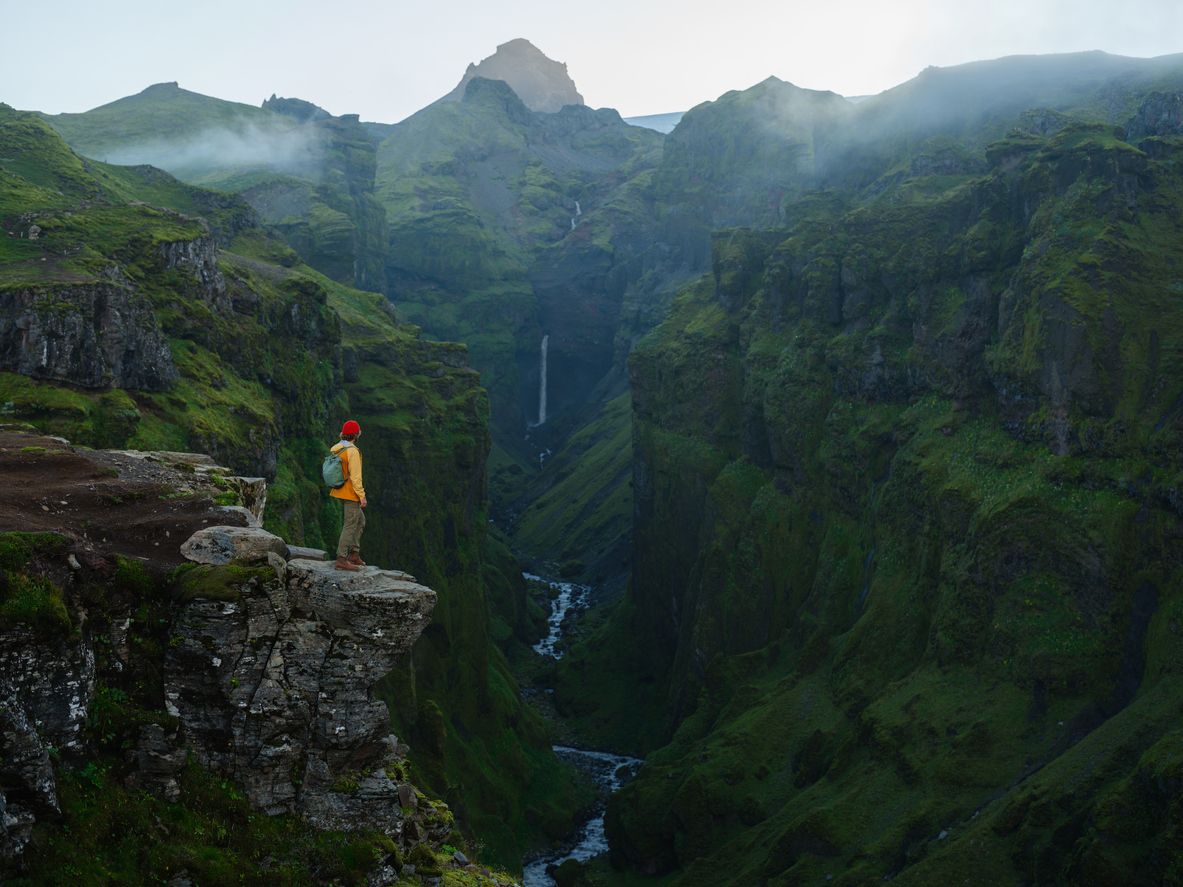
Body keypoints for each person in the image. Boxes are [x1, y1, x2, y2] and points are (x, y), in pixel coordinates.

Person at [330, 419, 367, 571]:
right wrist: (362, 496)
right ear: (356, 434)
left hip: (340, 489)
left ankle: (354, 554)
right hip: (351, 492)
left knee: (360, 520)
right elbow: (356, 477)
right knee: (350, 524)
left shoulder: (337, 448)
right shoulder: (353, 451)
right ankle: (342, 558)